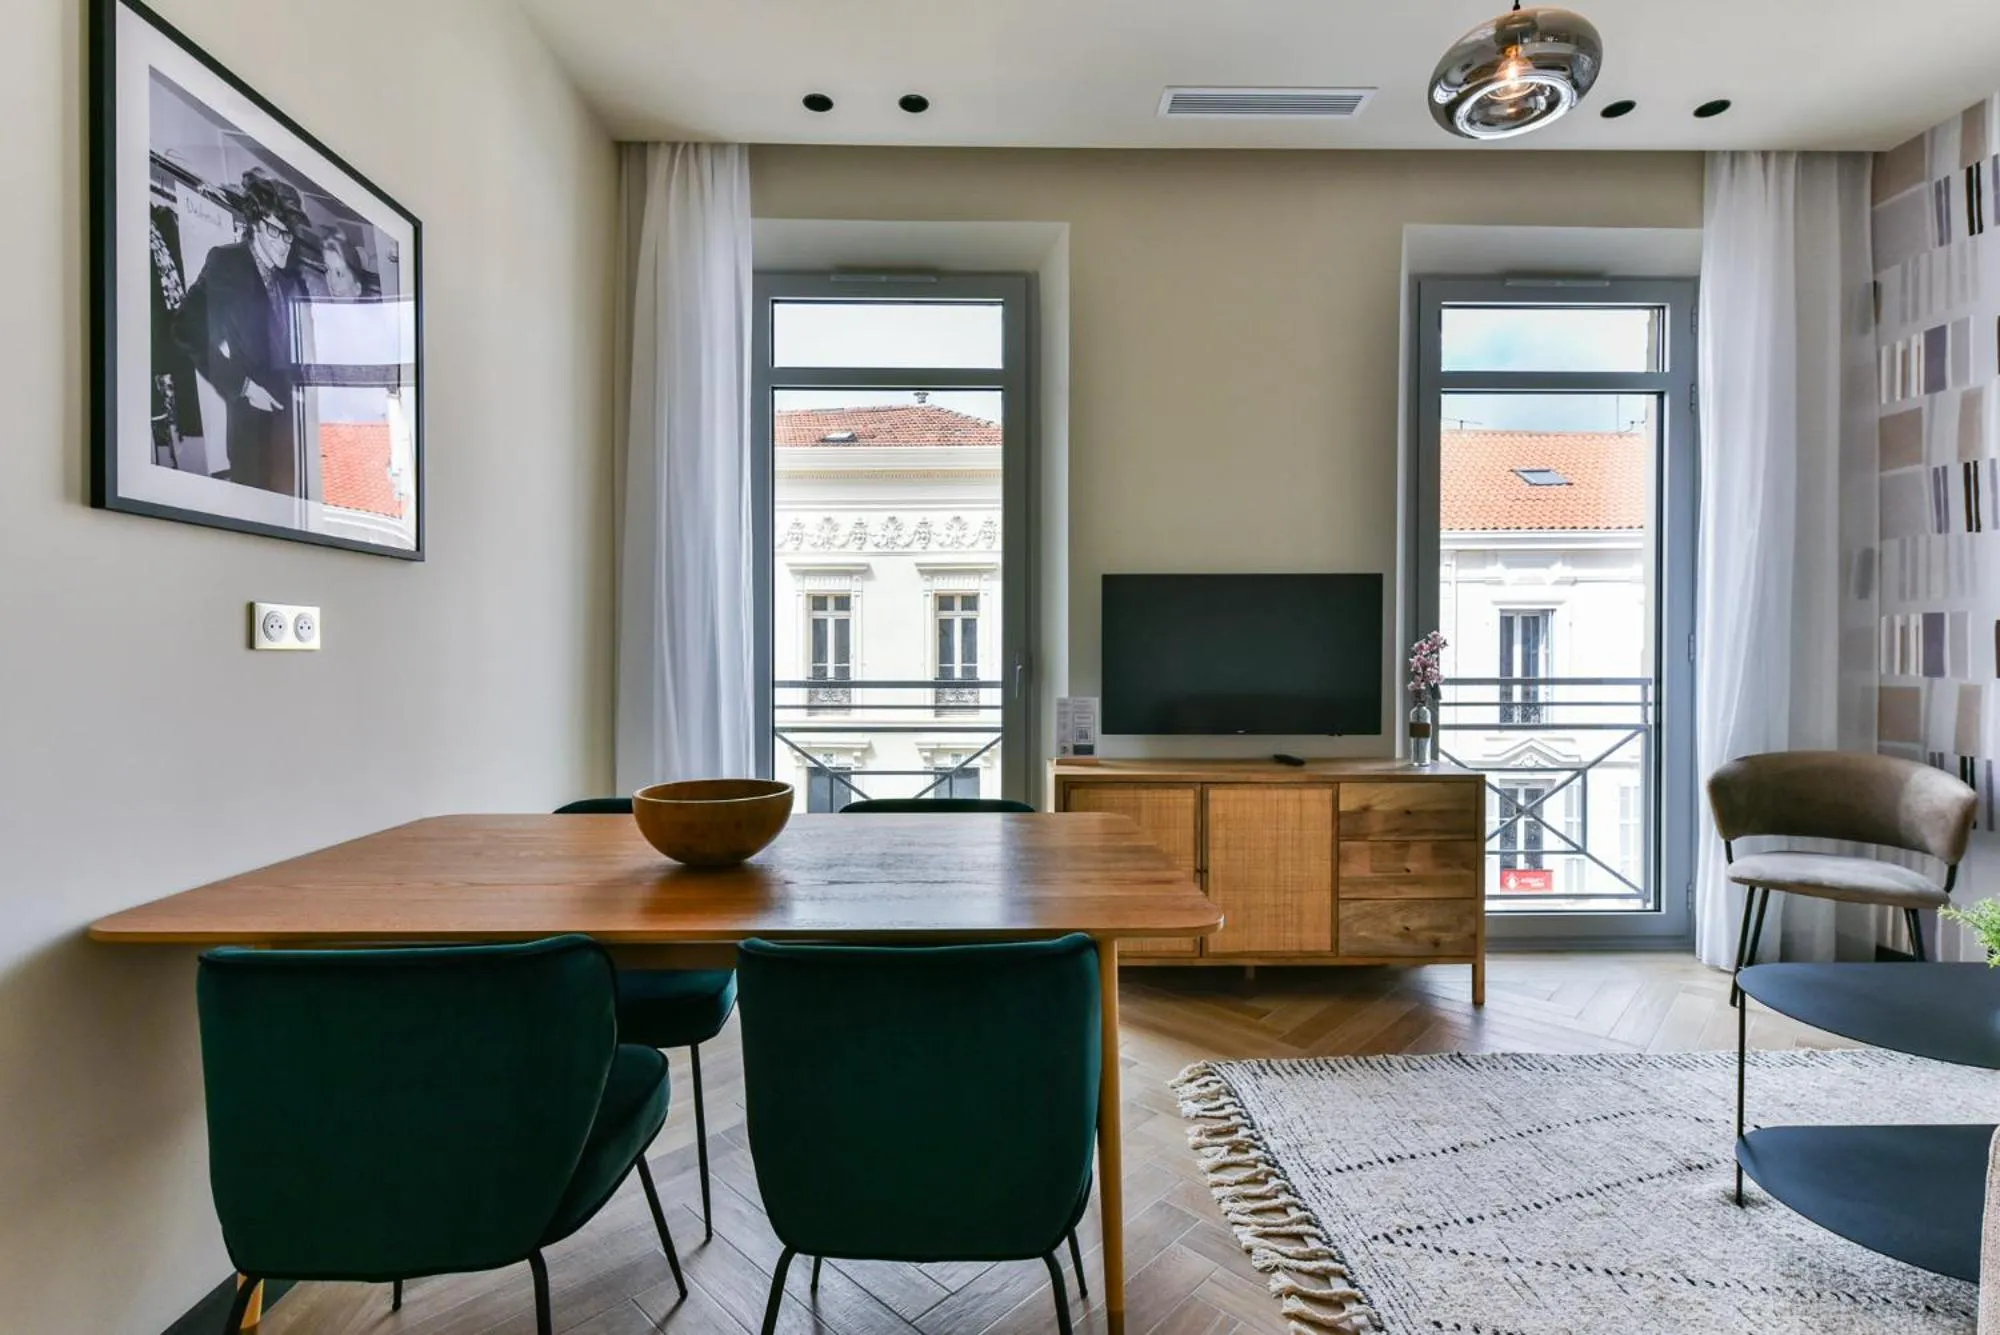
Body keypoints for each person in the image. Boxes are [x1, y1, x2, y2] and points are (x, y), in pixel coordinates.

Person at [173, 169, 309, 496]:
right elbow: (184, 328)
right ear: (258, 223)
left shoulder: (292, 279)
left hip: (290, 433)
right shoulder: (227, 263)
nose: (285, 245)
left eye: (290, 235)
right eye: (278, 232)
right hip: (251, 432)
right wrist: (243, 386)